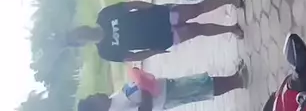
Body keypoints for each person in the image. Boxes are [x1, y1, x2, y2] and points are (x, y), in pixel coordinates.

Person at [66, 0, 245, 62]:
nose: (83, 34)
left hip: (161, 16)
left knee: (197, 9)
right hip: (160, 40)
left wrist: (154, 7)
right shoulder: (105, 52)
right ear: (82, 44)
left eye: (79, 31)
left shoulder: (104, 15)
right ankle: (231, 29)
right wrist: (154, 52)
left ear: (82, 27)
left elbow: (131, 5)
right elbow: (132, 57)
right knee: (198, 30)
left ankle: (230, 1)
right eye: (80, 38)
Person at [78, 65, 248, 111]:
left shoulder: (113, 98)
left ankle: (234, 78)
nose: (98, 94)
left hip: (164, 87)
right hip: (165, 97)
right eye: (94, 98)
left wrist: (138, 76)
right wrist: (144, 86)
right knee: (203, 87)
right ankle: (238, 81)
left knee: (200, 82)